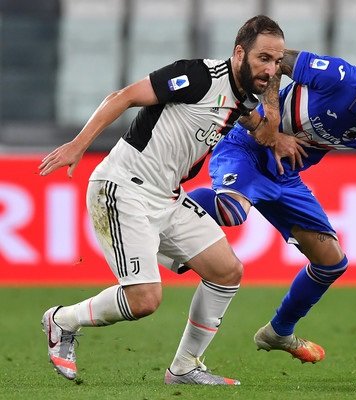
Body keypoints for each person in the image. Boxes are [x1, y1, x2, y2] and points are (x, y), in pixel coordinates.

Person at [38, 15, 289, 385]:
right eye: (263, 59)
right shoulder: (199, 76)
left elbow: (265, 130)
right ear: (239, 53)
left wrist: (273, 101)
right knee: (144, 301)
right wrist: (78, 146)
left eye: (277, 61)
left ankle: (185, 367)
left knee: (227, 272)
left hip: (168, 198)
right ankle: (61, 321)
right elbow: (122, 97)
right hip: (122, 187)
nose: (270, 68)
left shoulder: (242, 101)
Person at [187, 51, 356, 364]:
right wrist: (272, 127)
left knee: (332, 261)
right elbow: (270, 60)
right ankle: (164, 208)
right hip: (248, 147)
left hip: (285, 175)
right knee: (231, 212)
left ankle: (279, 331)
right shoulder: (338, 77)